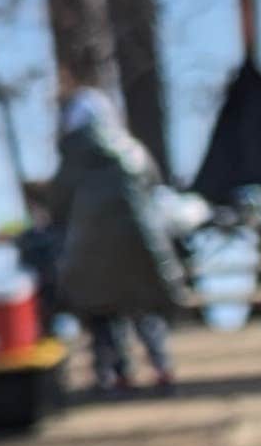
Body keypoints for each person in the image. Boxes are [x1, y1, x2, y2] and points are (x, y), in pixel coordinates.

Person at [29, 87, 198, 395]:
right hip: (141, 247)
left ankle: (115, 373)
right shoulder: (131, 149)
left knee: (102, 311)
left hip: (89, 254)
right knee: (143, 306)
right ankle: (161, 366)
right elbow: (154, 188)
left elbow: (59, 205)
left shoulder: (72, 155)